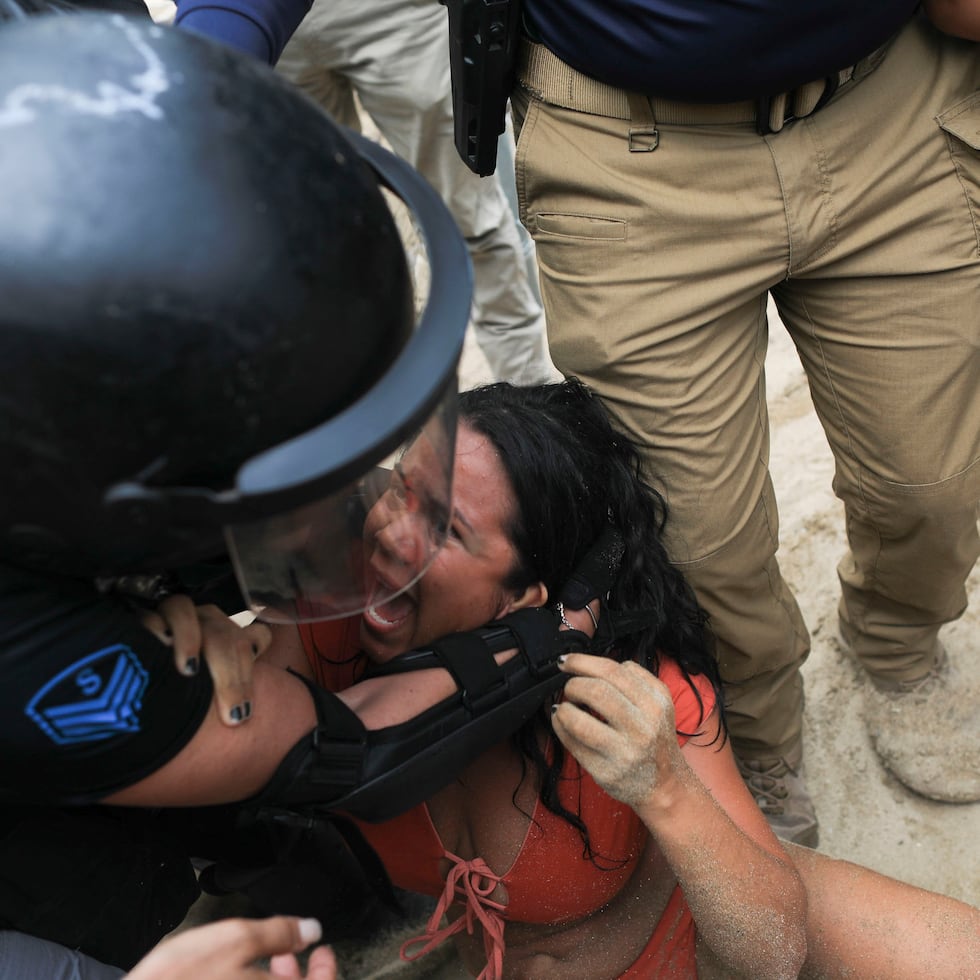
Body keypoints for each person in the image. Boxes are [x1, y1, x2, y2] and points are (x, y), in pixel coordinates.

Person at [0, 5, 592, 970]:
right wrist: (541, 641)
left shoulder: (57, 81)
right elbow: (326, 747)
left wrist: (206, 88)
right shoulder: (22, 648)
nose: (387, 523)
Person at [230, 379, 976, 980]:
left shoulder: (630, 695)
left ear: (525, 598)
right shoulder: (328, 623)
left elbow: (773, 954)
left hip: (684, 925)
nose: (389, 532)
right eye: (402, 488)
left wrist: (666, 787)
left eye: (446, 530)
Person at [486, 1, 980, 845]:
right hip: (624, 152)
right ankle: (753, 732)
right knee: (697, 544)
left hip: (891, 105)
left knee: (933, 481)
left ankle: (898, 646)